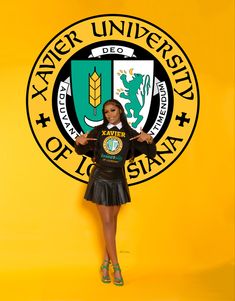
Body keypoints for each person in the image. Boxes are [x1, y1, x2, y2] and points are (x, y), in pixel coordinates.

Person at [74, 99, 156, 286]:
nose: (109, 114)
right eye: (106, 112)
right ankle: (116, 267)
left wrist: (149, 139)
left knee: (112, 224)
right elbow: (81, 150)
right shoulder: (99, 131)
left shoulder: (130, 133)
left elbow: (151, 153)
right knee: (108, 222)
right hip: (101, 178)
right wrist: (80, 143)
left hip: (118, 180)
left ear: (120, 110)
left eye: (112, 110)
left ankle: (104, 263)